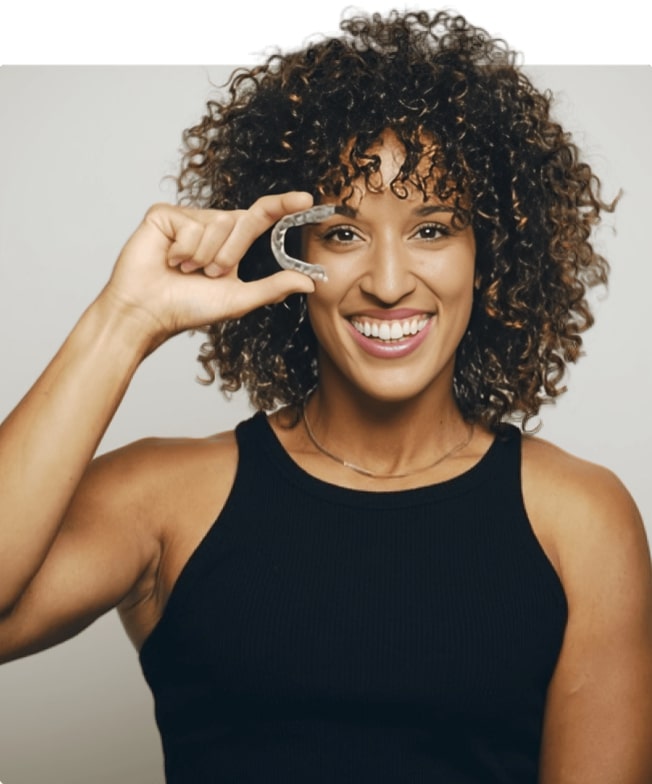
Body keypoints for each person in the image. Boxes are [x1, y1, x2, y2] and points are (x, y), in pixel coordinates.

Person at [1, 9, 651, 784]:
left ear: (491, 256)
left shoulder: (579, 519)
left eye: (433, 229)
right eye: (343, 233)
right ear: (291, 255)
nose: (384, 281)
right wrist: (124, 321)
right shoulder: (167, 500)